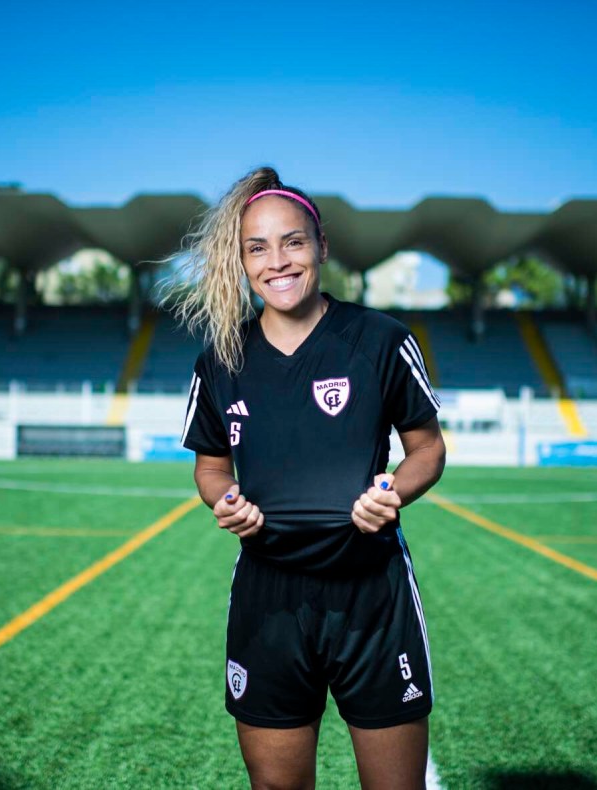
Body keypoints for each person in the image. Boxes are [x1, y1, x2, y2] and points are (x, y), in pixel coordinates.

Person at [169, 167, 446, 789]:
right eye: (257, 248)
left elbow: (427, 449)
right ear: (242, 261)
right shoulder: (221, 359)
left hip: (372, 595)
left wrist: (393, 491)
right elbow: (211, 466)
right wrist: (225, 499)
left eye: (292, 242)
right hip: (268, 597)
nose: (277, 262)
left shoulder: (380, 340)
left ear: (321, 246)